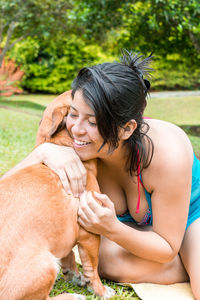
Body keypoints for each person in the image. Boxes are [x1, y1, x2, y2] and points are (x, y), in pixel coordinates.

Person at [2, 50, 200, 299]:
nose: (76, 130)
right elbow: (8, 191)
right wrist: (42, 153)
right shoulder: (74, 151)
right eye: (73, 114)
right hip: (131, 231)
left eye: (93, 123)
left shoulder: (168, 151)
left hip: (190, 215)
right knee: (106, 262)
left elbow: (166, 247)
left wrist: (112, 229)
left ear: (127, 128)